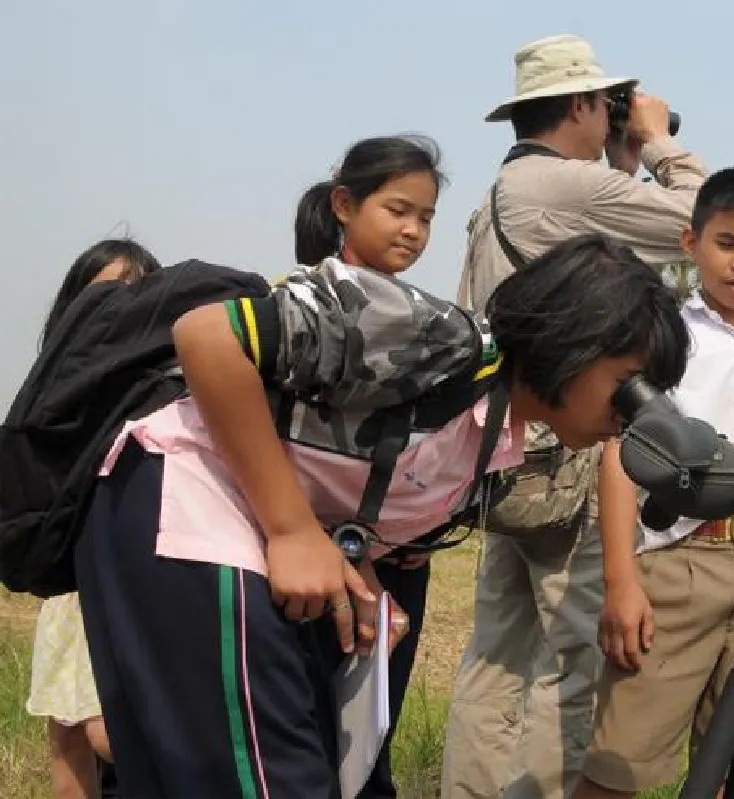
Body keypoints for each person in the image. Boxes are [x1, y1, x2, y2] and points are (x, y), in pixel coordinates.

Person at [71, 131, 690, 799]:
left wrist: (353, 561)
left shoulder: (494, 443)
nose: (629, 410)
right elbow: (207, 336)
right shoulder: (434, 336)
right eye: (626, 382)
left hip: (198, 523)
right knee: (280, 777)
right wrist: (290, 530)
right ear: (575, 342)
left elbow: (336, 471)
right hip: (178, 500)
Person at [442, 33, 707, 799]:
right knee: (574, 656)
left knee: (495, 656)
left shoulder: (500, 194)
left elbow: (602, 278)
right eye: (608, 104)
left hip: (505, 450)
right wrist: (658, 142)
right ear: (584, 105)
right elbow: (701, 223)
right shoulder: (566, 184)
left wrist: (619, 163)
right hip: (569, 450)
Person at [574, 166, 734, 798]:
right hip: (675, 568)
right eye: (727, 243)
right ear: (691, 244)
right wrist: (621, 582)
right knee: (619, 765)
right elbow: (620, 455)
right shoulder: (666, 341)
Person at [24, 238, 162, 799]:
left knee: (113, 732)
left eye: (134, 295)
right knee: (69, 733)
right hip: (70, 583)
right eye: (102, 295)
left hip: (136, 578)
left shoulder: (165, 383)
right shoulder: (51, 390)